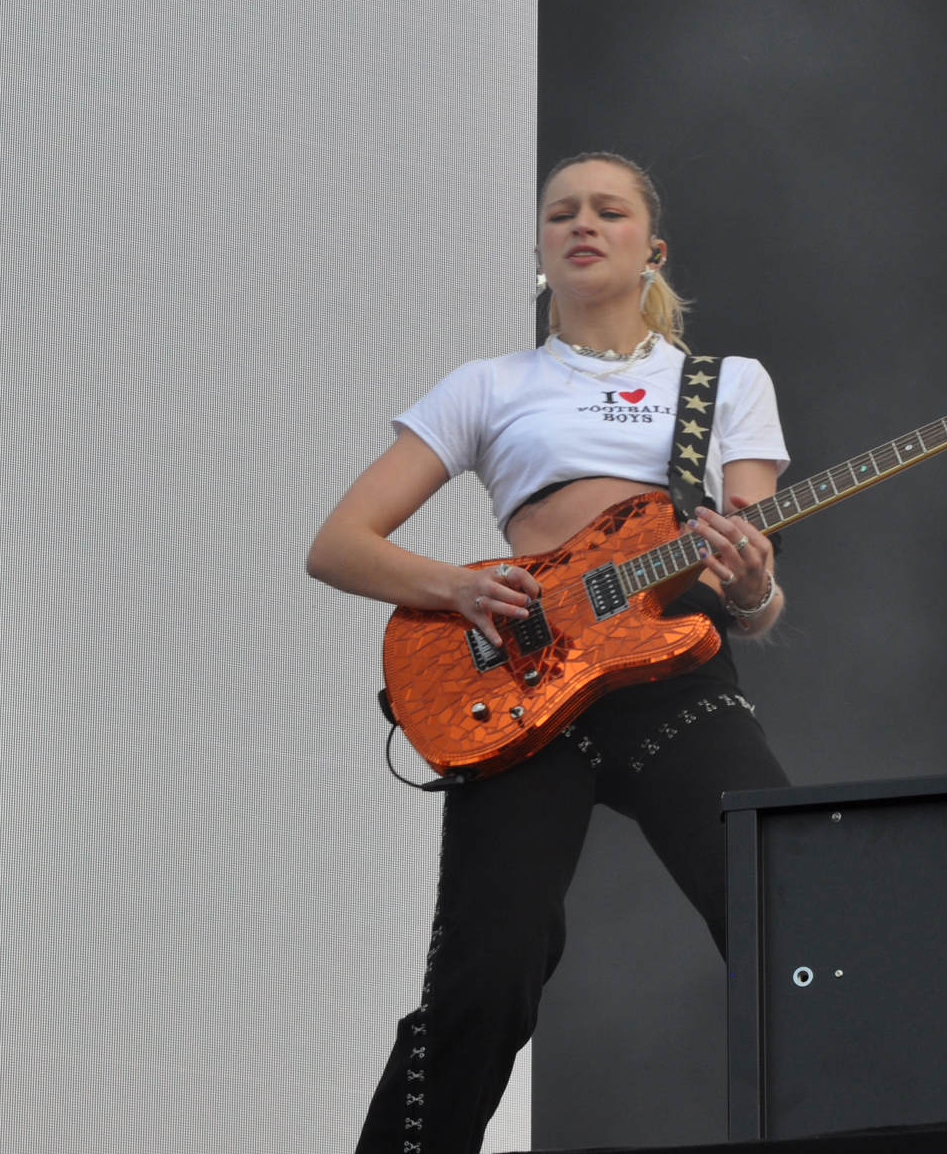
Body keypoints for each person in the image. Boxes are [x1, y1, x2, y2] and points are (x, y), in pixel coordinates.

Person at [308, 151, 791, 1154]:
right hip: (526, 683)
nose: (583, 223)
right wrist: (455, 586)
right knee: (485, 979)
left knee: (790, 918)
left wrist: (753, 588)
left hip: (676, 679)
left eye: (609, 211)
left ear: (652, 249)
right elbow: (339, 544)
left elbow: (753, 590)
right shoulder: (489, 384)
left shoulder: (725, 383)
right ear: (539, 246)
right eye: (562, 211)